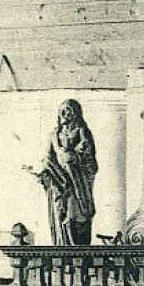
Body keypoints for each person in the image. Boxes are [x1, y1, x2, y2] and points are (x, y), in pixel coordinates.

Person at [31, 99, 98, 245]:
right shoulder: (53, 135)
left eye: (67, 109)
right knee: (61, 213)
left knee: (76, 213)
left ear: (75, 113)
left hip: (78, 182)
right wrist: (42, 172)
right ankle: (63, 246)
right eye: (61, 110)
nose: (63, 113)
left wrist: (74, 157)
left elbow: (90, 159)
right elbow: (48, 158)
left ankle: (77, 249)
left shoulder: (82, 131)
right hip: (59, 182)